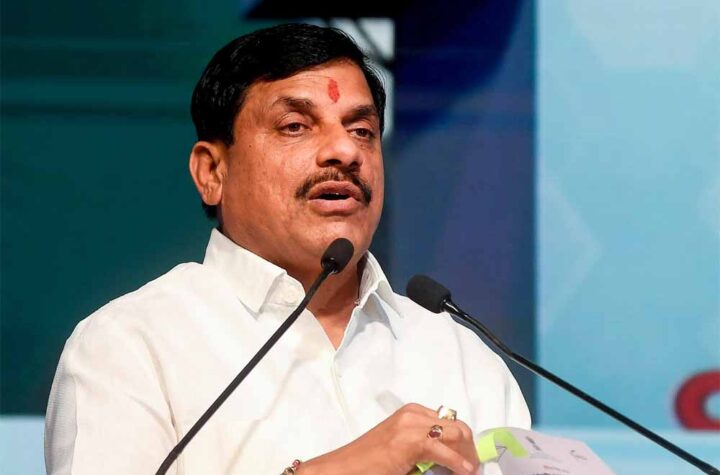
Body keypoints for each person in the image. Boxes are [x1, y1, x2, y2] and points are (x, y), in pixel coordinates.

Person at [44, 23, 530, 475]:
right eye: (295, 126)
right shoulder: (130, 346)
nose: (345, 151)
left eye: (362, 131)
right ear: (212, 172)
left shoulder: (460, 356)